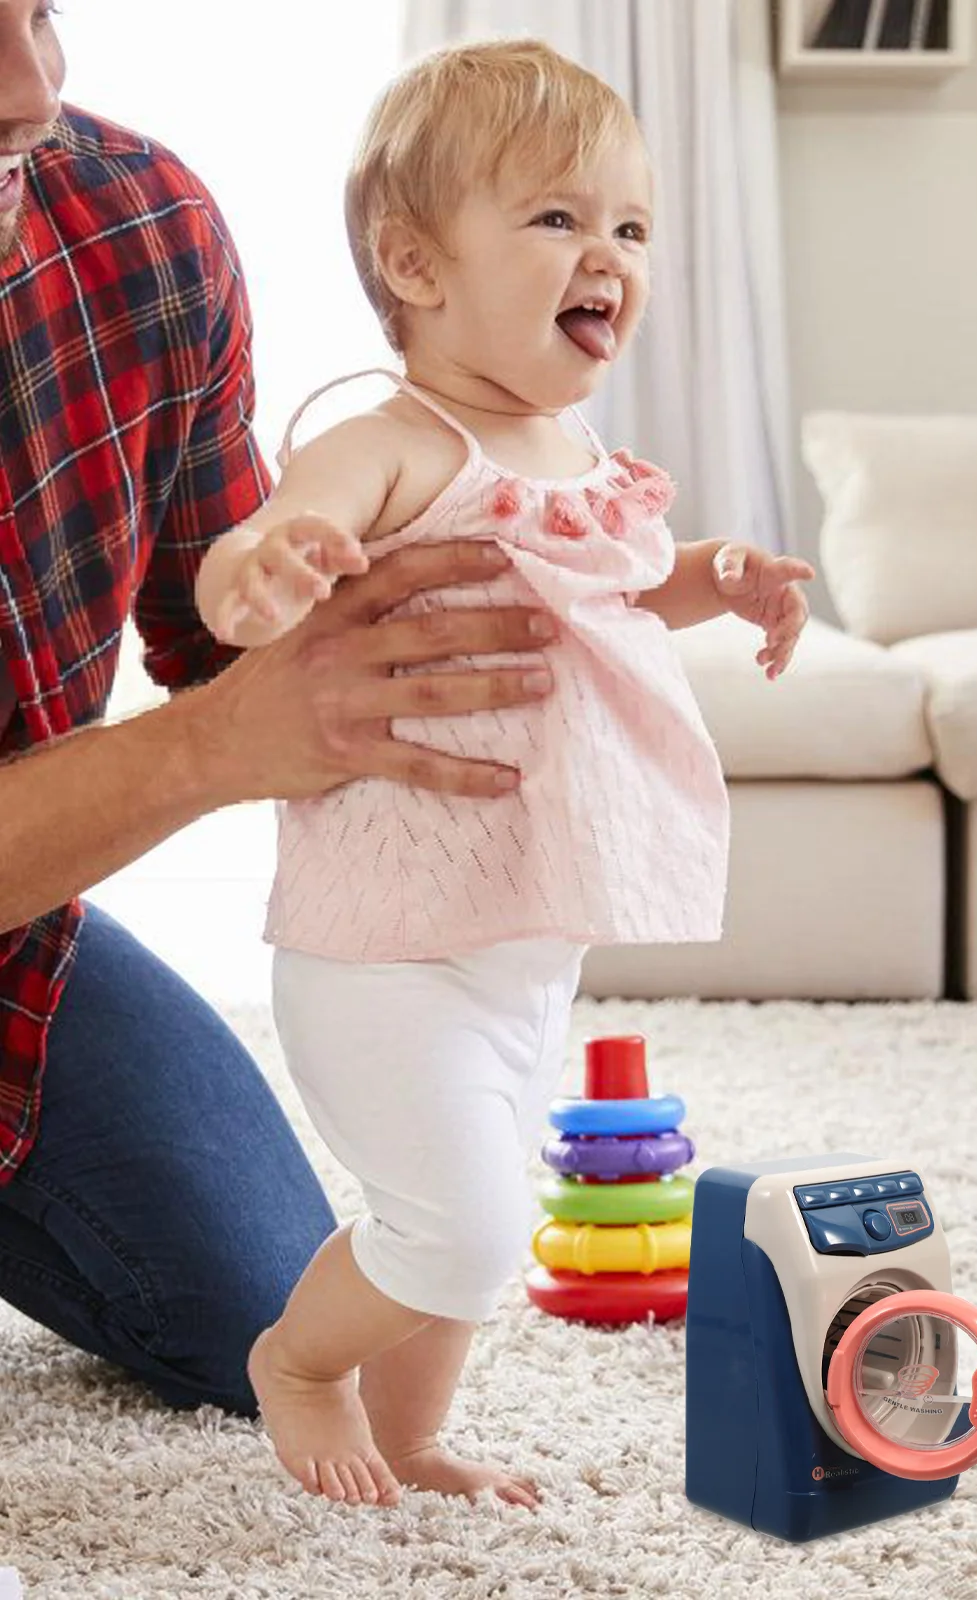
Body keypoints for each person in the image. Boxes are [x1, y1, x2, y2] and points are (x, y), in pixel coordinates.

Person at [193, 39, 813, 1511]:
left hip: (528, 942)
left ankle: (413, 1441)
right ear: (415, 262)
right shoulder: (394, 441)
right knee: (458, 1230)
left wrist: (715, 576)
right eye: (556, 219)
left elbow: (615, 595)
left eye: (632, 227)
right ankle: (298, 1361)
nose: (606, 255)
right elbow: (260, 552)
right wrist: (268, 571)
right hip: (389, 944)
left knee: (473, 1221)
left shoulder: (576, 452)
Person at [0, 0, 564, 1418]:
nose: (30, 91)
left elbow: (220, 633)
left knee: (285, 1319)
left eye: (41, 14)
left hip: (19, 926)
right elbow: (222, 719)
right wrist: (215, 745)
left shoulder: (137, 226)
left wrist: (436, 555)